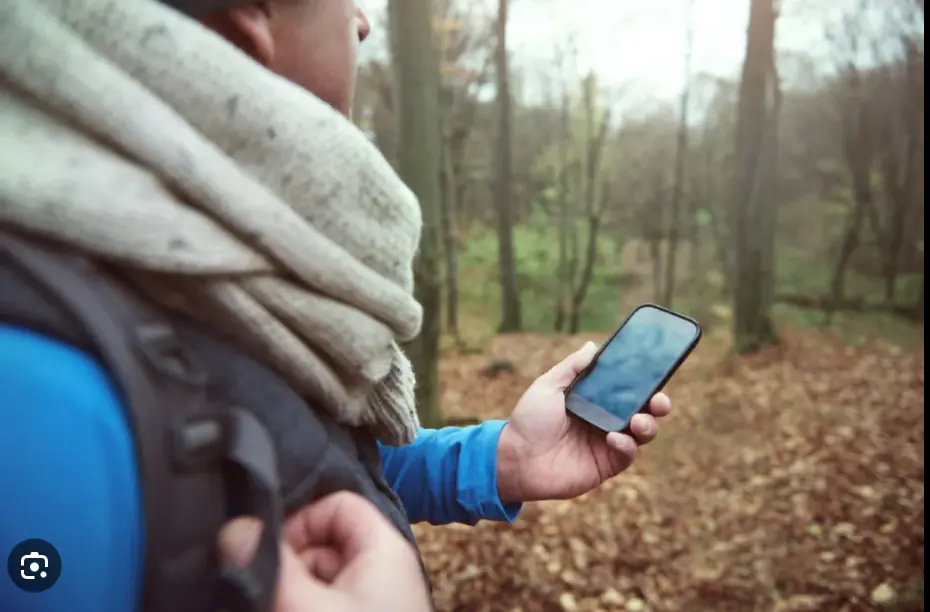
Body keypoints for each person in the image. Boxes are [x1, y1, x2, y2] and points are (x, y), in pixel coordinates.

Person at [0, 1, 671, 611]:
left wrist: (503, 459)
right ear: (254, 18)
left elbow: (319, 465)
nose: (363, 22)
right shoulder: (40, 378)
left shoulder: (240, 268)